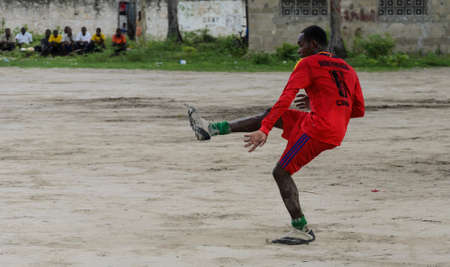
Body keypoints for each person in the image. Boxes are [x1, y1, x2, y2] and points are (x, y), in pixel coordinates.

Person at [187, 25, 365, 244]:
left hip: (319, 129)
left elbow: (285, 98)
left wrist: (264, 130)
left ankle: (301, 229)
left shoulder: (307, 63)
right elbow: (358, 110)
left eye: (301, 45)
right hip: (331, 126)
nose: (298, 51)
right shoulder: (348, 68)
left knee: (281, 172)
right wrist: (319, 101)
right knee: (270, 114)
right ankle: (211, 129)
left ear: (314, 45)